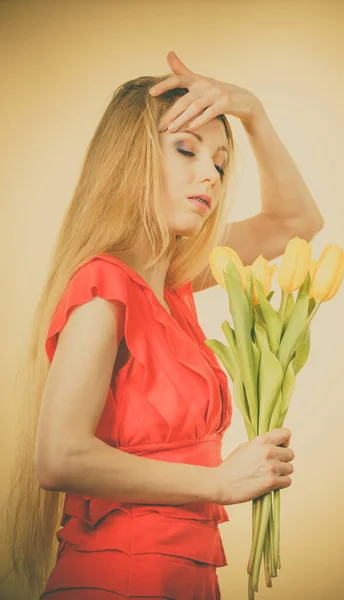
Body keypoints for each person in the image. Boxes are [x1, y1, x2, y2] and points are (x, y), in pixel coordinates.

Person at [2, 51, 323, 599]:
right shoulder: (104, 285)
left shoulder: (174, 283)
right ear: (131, 159)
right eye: (186, 149)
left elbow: (297, 222)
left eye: (220, 163)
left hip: (187, 578)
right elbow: (58, 456)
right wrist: (218, 482)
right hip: (120, 578)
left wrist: (253, 113)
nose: (211, 176)